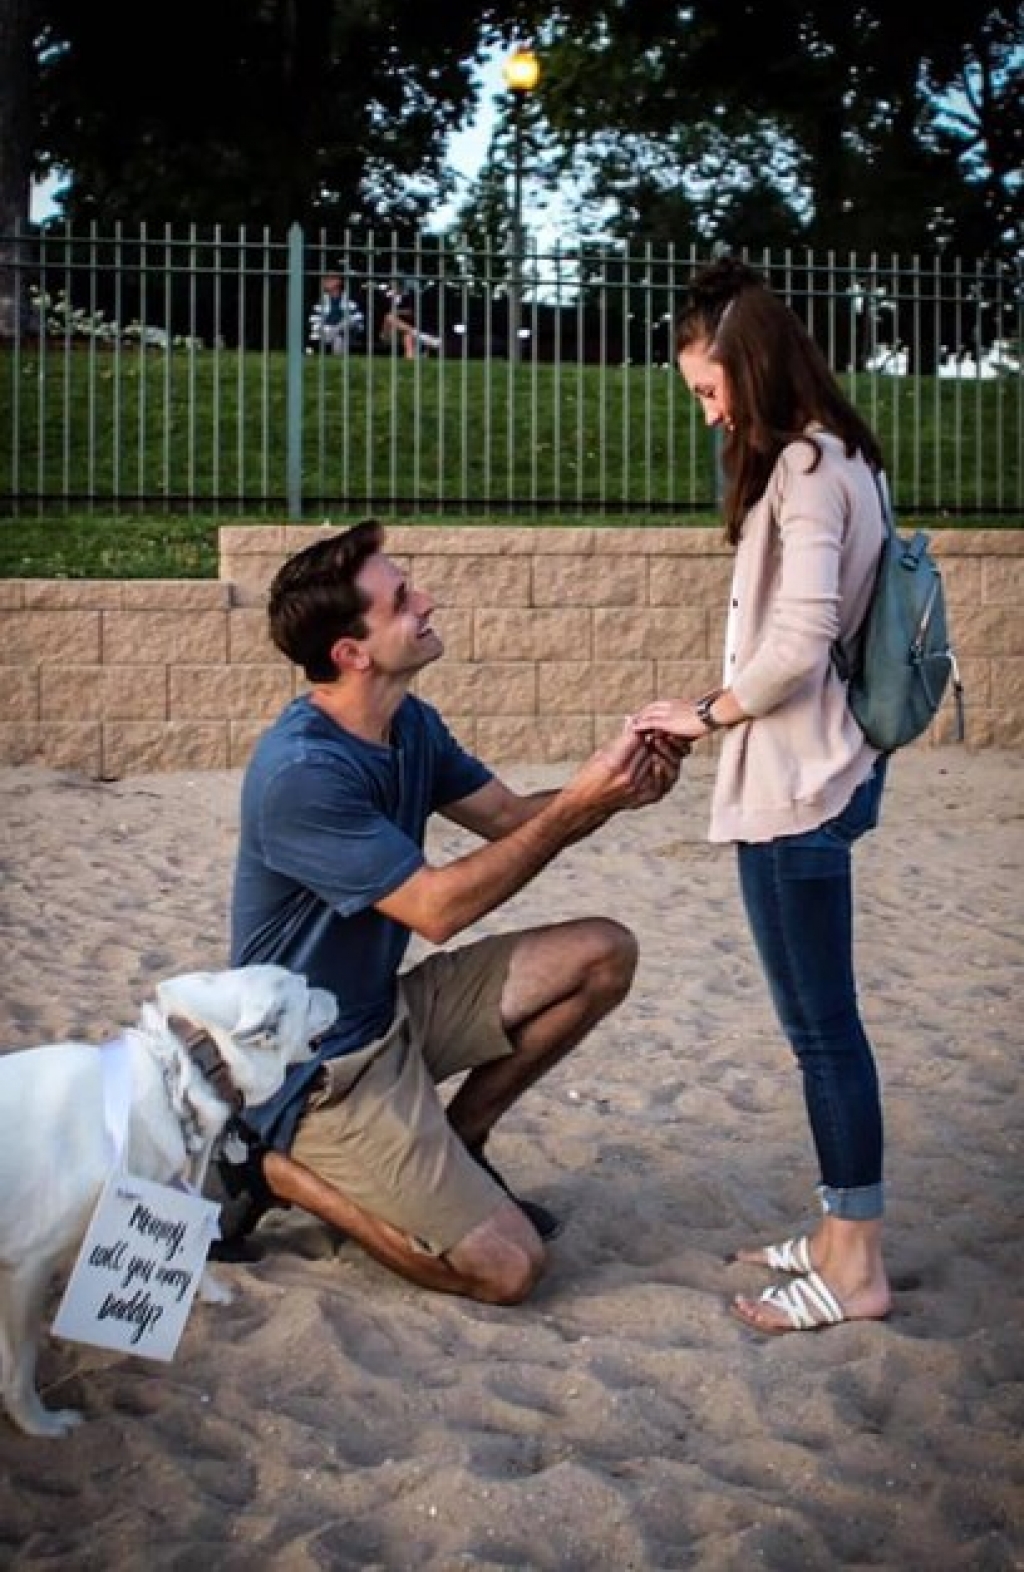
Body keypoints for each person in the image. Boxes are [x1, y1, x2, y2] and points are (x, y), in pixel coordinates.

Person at [220, 519, 686, 1305]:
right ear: (351, 653)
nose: (426, 599)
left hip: (385, 1015)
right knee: (509, 1270)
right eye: (402, 598)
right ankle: (276, 1172)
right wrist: (577, 808)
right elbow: (438, 910)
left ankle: (462, 1141)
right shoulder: (301, 772)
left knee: (604, 952)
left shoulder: (409, 723)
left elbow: (509, 818)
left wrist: (618, 788)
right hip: (313, 1073)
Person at [630, 255, 892, 1336]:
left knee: (821, 1033)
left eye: (708, 389)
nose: (706, 415)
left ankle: (858, 1262)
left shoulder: (803, 470)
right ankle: (834, 1235)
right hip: (825, 768)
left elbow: (797, 640)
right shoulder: (848, 458)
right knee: (820, 1028)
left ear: (749, 365)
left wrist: (706, 710)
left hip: (795, 782)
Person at [309, 272, 365, 355]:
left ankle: (335, 333)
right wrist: (329, 329)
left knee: (345, 325)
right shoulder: (321, 302)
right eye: (325, 279)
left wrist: (338, 328)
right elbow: (314, 323)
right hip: (325, 333)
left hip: (346, 333)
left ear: (339, 281)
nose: (324, 281)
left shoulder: (350, 300)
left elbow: (358, 321)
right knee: (337, 337)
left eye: (329, 279)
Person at [379, 284, 441, 358]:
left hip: (406, 331)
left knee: (408, 337)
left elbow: (411, 312)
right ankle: (424, 338)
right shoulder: (385, 298)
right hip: (387, 332)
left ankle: (411, 359)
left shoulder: (409, 297)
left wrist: (397, 312)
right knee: (389, 317)